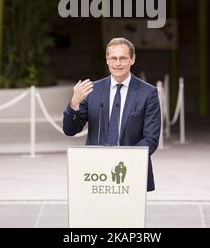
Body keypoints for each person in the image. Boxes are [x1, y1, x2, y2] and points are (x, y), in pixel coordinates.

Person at [62, 37, 161, 191]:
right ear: (107, 60)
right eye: (113, 58)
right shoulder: (92, 90)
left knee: (129, 216)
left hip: (131, 172)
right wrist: (74, 103)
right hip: (95, 173)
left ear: (132, 59)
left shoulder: (148, 93)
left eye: (123, 58)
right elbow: (70, 130)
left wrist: (122, 158)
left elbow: (151, 139)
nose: (117, 63)